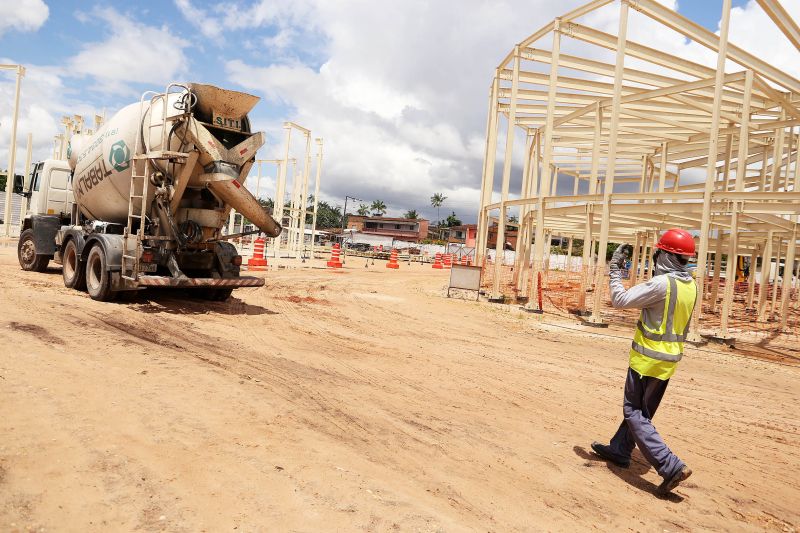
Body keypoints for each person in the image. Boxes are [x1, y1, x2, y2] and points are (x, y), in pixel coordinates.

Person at [591, 228, 698, 496]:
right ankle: (619, 449)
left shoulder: (662, 285)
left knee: (633, 411)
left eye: (658, 253)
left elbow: (620, 300)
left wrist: (615, 271)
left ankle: (670, 465)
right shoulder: (690, 285)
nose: (655, 257)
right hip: (668, 362)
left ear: (666, 256)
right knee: (643, 412)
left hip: (646, 360)